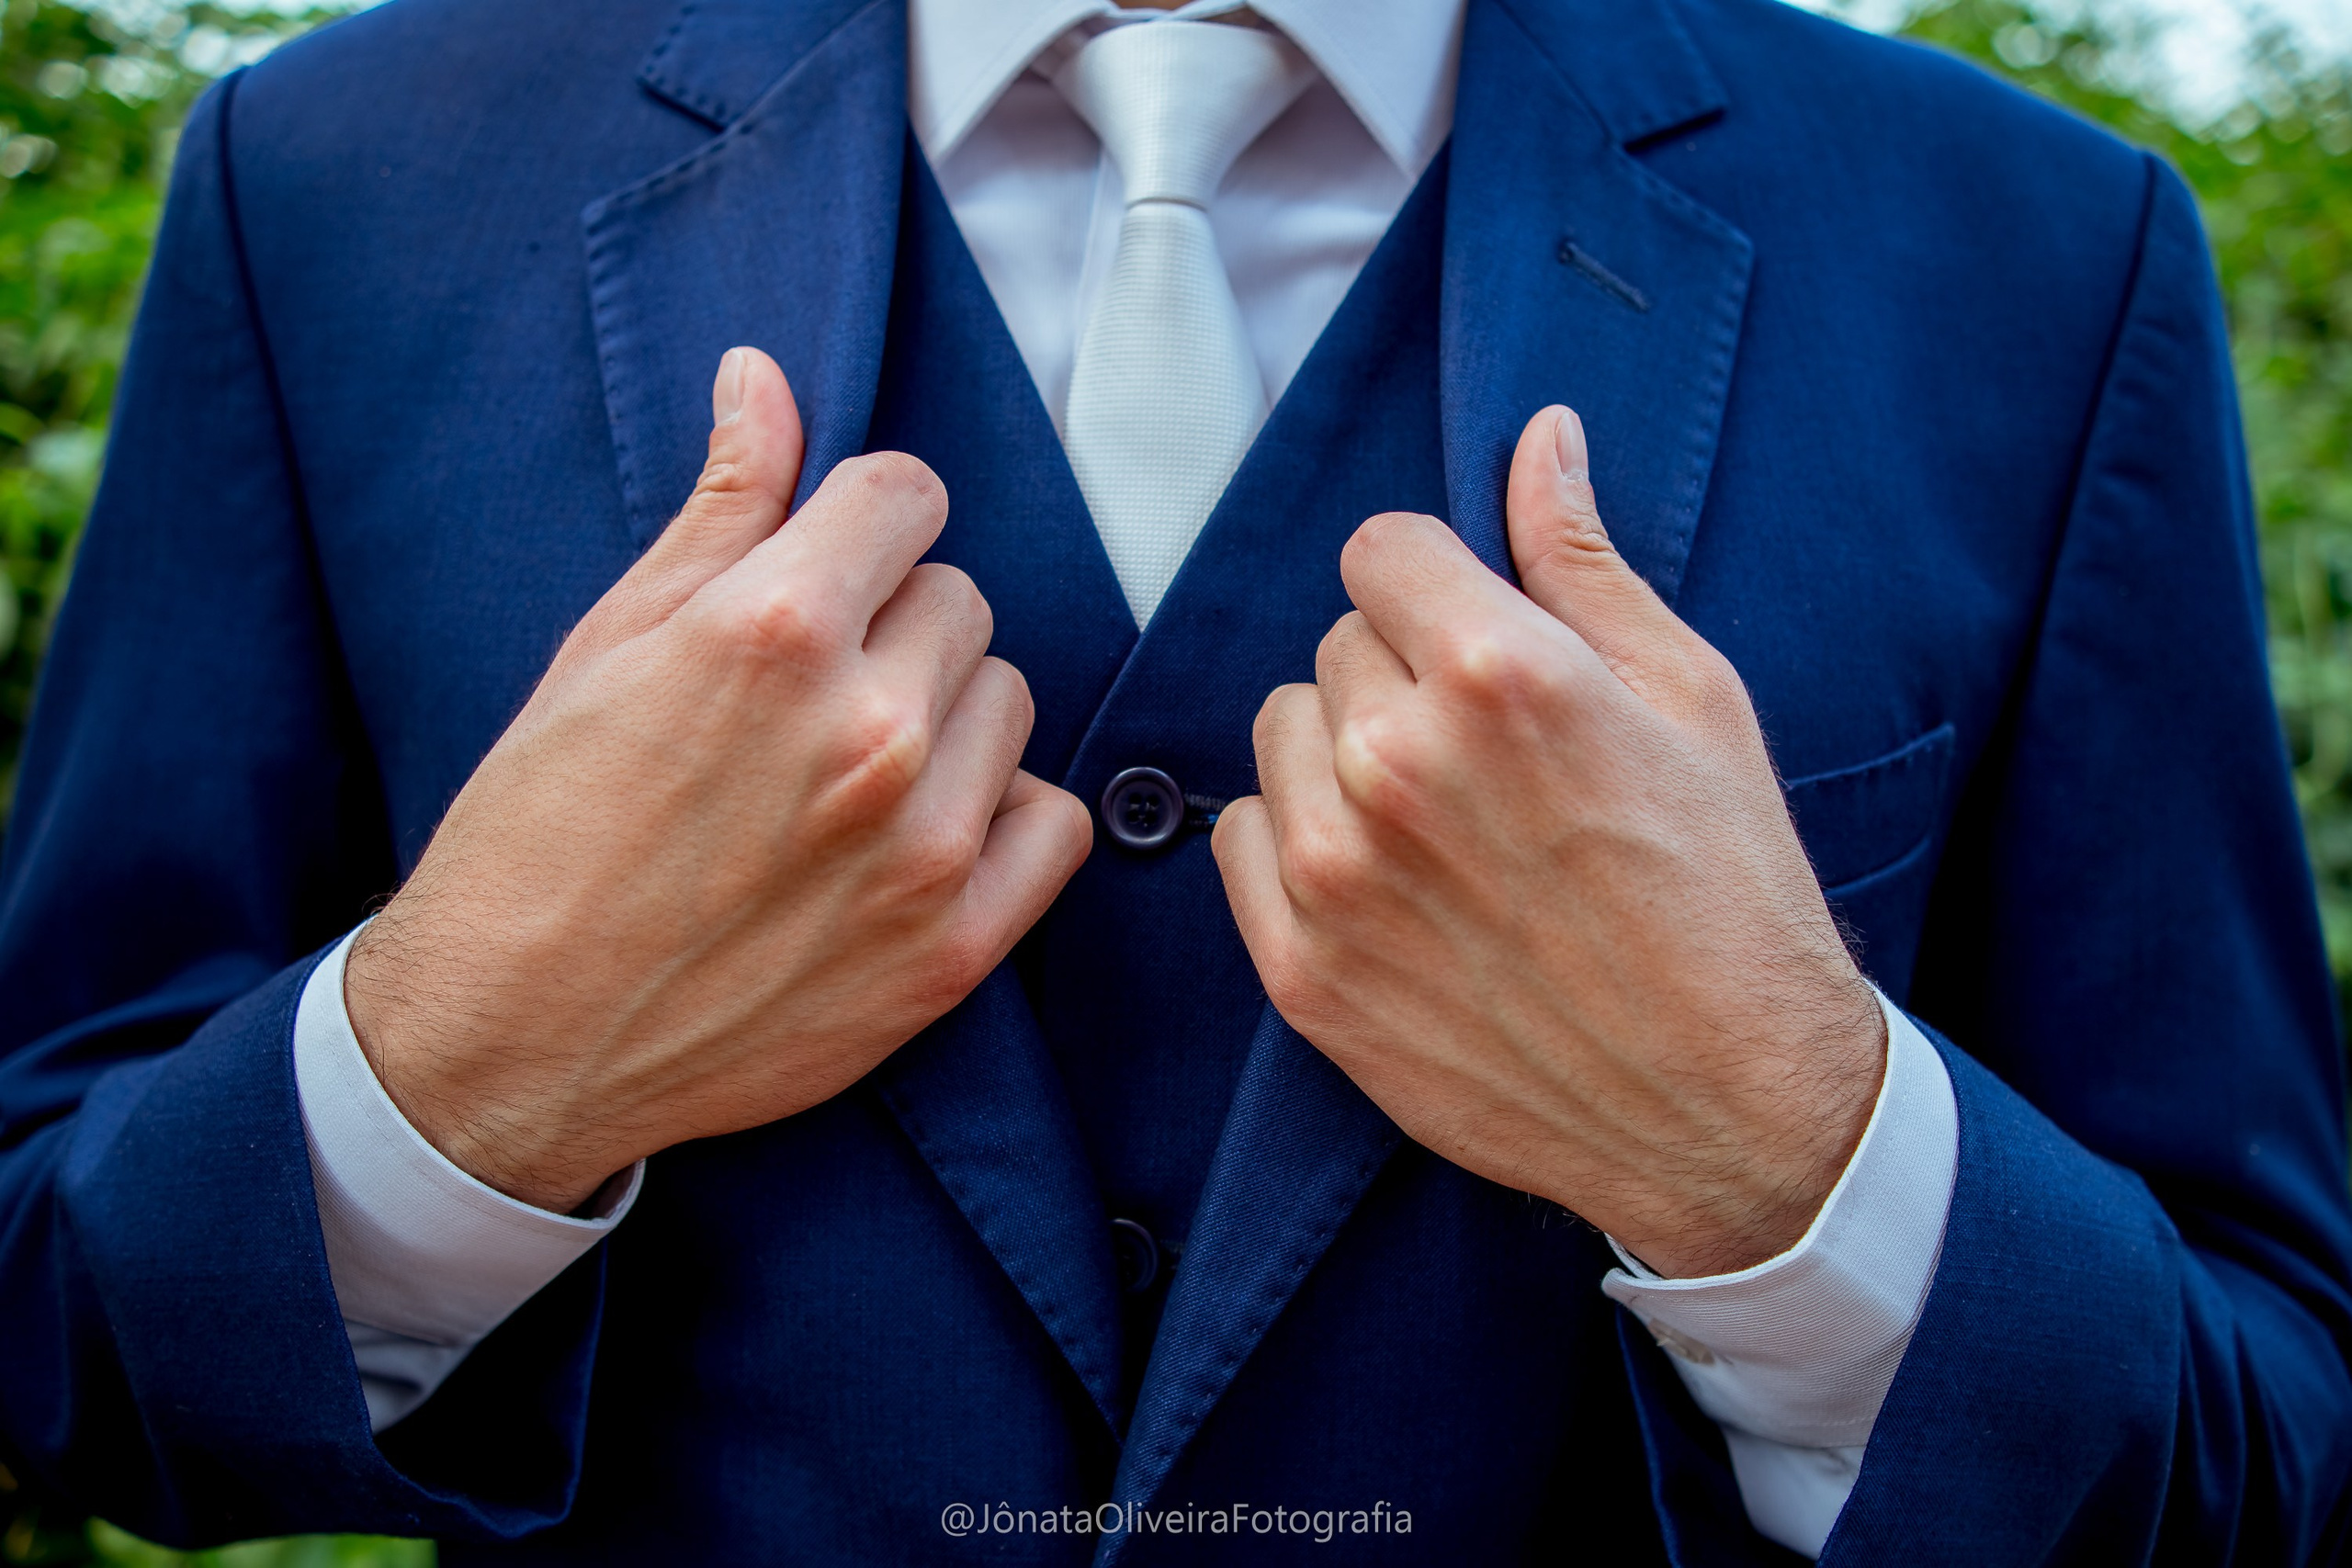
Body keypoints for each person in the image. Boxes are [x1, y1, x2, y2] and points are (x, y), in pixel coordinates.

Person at [1, 0, 2346, 1559]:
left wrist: (1777, 1147)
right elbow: (58, 1323)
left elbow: (2268, 1431)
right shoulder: (325, 185)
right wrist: (463, 1066)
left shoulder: (2032, 250)